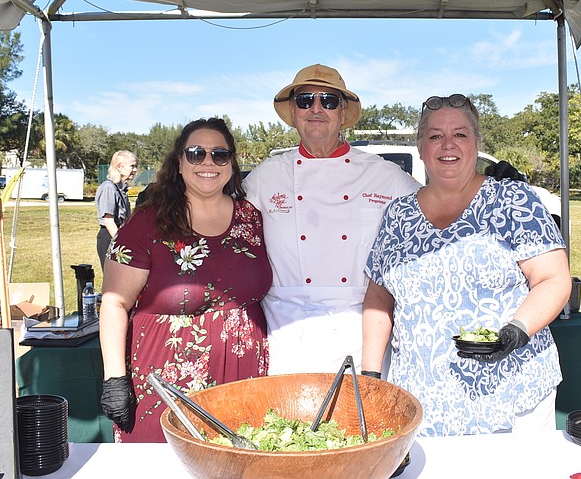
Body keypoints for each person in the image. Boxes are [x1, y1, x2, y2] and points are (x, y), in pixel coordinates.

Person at [361, 94, 571, 436]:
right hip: (420, 402)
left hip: (511, 395)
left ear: (476, 142)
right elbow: (378, 299)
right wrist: (371, 376)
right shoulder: (398, 214)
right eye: (435, 136)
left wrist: (516, 331)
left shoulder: (513, 200)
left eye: (460, 134)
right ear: (421, 147)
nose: (448, 144)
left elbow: (553, 279)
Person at [98, 118, 272, 442]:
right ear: (179, 162)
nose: (208, 162)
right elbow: (114, 303)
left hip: (244, 379)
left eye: (220, 154)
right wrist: (114, 378)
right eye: (196, 153)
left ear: (232, 163)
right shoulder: (147, 223)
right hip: (165, 384)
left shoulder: (252, 218)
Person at [243, 64, 421, 375]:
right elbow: (219, 218)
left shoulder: (384, 175)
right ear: (293, 112)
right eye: (305, 100)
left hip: (359, 330)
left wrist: (486, 185)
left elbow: (437, 209)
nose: (316, 109)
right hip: (286, 331)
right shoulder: (266, 176)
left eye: (328, 101)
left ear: (342, 113)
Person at [95, 150, 138, 268]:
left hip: (119, 235)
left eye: (136, 166)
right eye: (132, 166)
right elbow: (108, 220)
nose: (135, 170)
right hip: (110, 237)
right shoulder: (109, 188)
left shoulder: (122, 190)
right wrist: (121, 243)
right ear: (119, 167)